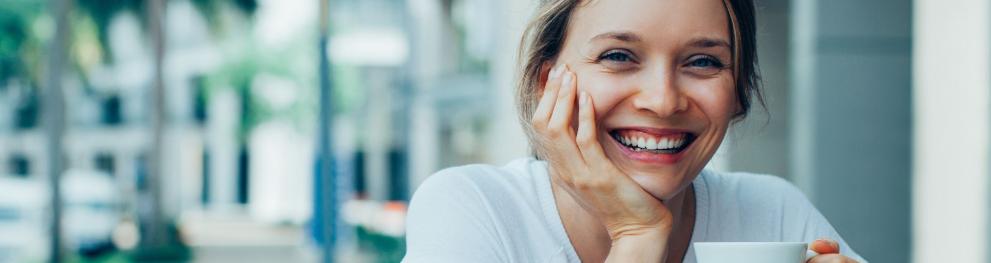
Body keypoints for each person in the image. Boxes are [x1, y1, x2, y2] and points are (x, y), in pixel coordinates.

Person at [403, 0, 866, 262]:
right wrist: (637, 232)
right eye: (618, 56)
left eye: (703, 62)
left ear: (738, 92)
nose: (663, 100)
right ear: (548, 83)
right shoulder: (473, 209)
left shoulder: (773, 211)